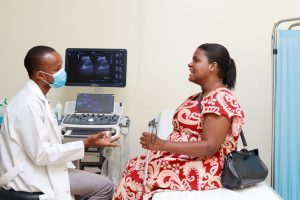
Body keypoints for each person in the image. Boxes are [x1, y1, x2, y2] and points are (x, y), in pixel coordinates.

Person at [113, 43, 245, 200]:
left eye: (196, 60)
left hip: (208, 166)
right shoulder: (198, 96)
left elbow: (210, 146)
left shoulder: (221, 98)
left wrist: (161, 145)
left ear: (212, 66)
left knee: (138, 175)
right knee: (134, 164)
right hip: (186, 158)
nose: (190, 64)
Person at [0, 46, 119, 200]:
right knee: (105, 186)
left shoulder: (38, 99)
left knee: (91, 186)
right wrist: (85, 143)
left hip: (43, 168)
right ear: (40, 75)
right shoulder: (28, 105)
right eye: (58, 69)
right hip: (30, 176)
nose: (62, 72)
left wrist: (87, 143)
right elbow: (42, 154)